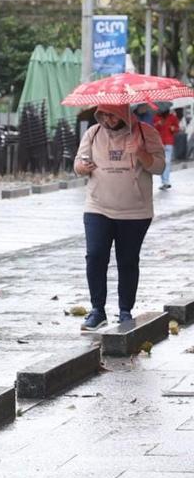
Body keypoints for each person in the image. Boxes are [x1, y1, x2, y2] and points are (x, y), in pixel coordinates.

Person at [74, 103, 164, 330]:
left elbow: (160, 167)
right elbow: (78, 163)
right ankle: (97, 310)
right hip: (98, 207)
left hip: (135, 212)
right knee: (95, 256)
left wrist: (141, 152)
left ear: (125, 113)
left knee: (127, 261)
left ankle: (125, 310)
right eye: (103, 114)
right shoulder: (93, 133)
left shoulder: (146, 132)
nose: (108, 119)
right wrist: (83, 167)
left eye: (113, 115)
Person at [154, 104, 180, 190]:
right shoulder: (156, 117)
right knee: (162, 163)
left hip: (169, 143)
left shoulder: (172, 117)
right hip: (159, 143)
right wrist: (158, 124)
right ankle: (164, 181)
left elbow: (177, 128)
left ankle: (166, 181)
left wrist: (173, 128)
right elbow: (152, 129)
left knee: (167, 162)